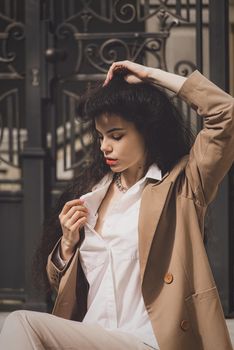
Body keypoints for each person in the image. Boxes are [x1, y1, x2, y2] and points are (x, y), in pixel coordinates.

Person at [0, 60, 233, 350]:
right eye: (101, 136)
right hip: (94, 336)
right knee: (20, 325)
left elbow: (225, 113)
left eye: (116, 135)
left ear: (147, 132)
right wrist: (67, 246)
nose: (104, 146)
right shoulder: (91, 195)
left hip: (148, 341)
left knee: (21, 322)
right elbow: (61, 286)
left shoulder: (183, 186)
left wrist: (151, 76)